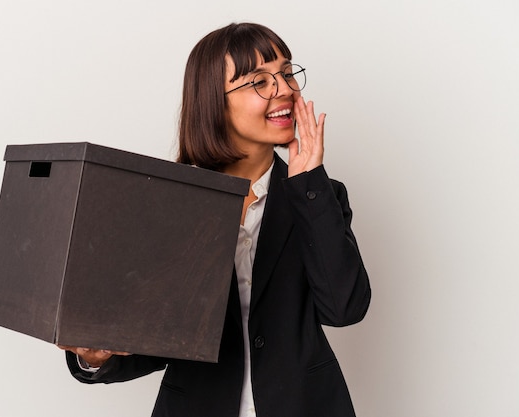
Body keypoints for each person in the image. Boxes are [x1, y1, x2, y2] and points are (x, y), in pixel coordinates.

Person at [60, 22, 371, 417]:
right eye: (260, 81)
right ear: (214, 102)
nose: (286, 90)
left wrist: (309, 182)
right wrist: (96, 357)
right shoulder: (171, 201)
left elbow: (344, 309)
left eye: (287, 73)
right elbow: (157, 340)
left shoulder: (321, 198)